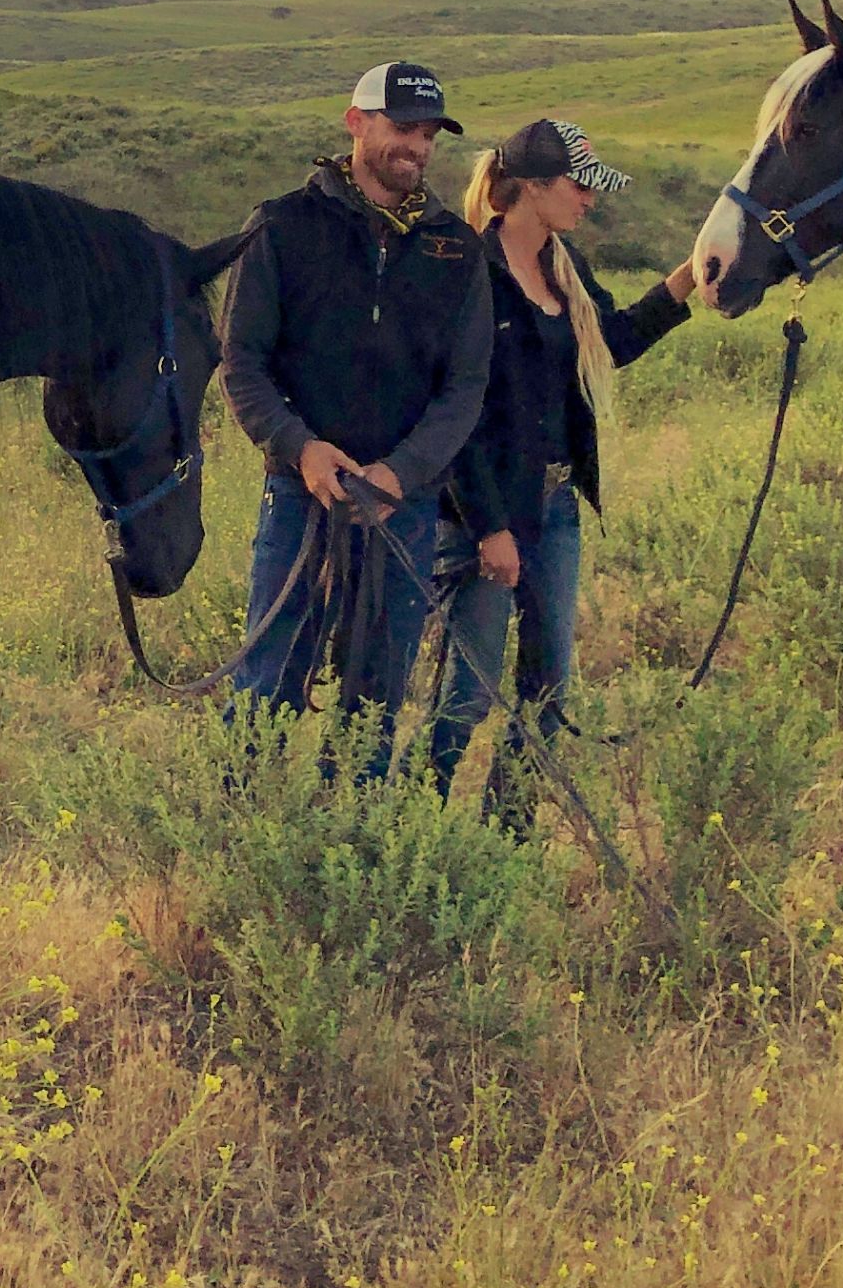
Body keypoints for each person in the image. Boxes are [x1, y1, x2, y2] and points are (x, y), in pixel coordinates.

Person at [216, 61, 493, 761]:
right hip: (301, 493)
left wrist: (402, 473)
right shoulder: (282, 226)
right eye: (403, 128)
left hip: (405, 506)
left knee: (378, 695)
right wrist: (300, 449)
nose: (418, 147)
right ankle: (245, 812)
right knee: (268, 678)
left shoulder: (456, 247)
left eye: (429, 134)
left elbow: (465, 386)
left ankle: (361, 820)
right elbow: (241, 361)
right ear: (356, 123)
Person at [422, 116, 695, 804]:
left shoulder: (566, 271)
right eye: (581, 186)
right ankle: (413, 824)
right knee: (469, 691)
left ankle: (507, 829)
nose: (591, 200)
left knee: (548, 691)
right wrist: (489, 528)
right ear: (535, 186)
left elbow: (613, 342)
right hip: (485, 515)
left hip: (556, 507)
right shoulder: (467, 272)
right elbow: (455, 418)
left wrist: (687, 281)